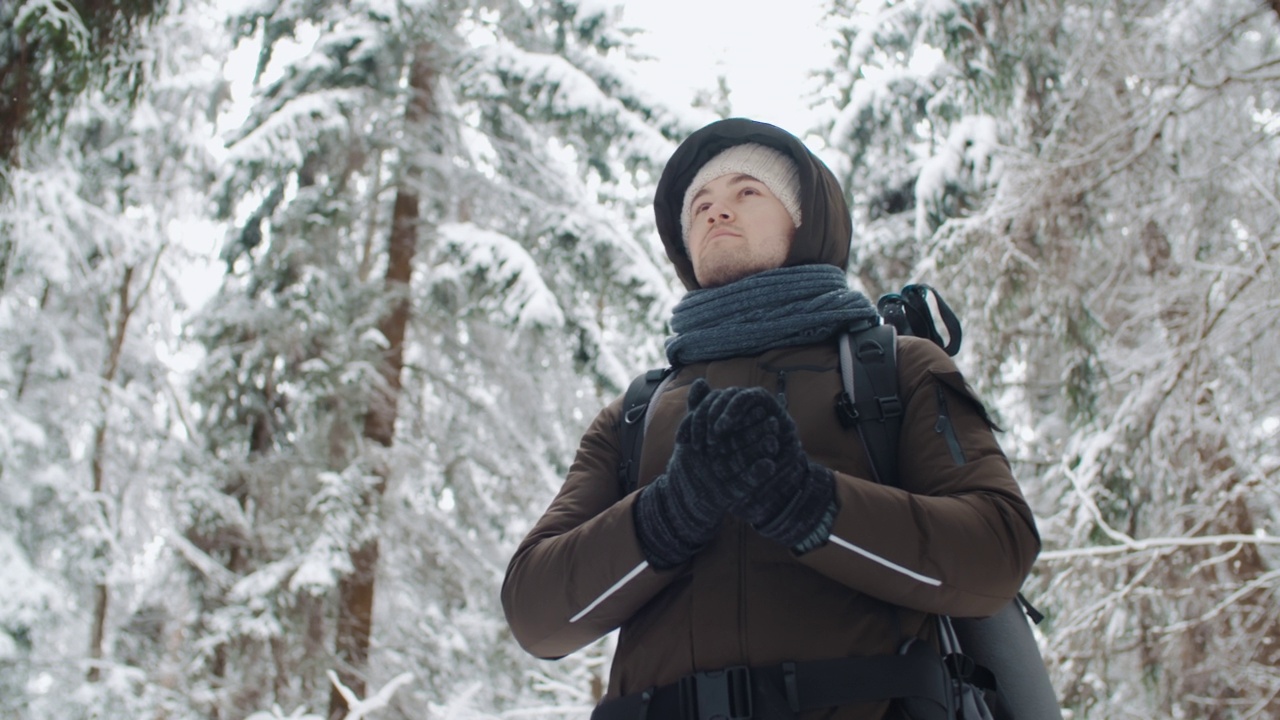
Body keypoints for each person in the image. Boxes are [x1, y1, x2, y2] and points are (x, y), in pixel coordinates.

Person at [501, 118, 1041, 720]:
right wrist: (668, 513)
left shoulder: (896, 369)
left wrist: (809, 504)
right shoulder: (635, 414)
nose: (716, 212)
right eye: (699, 205)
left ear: (805, 217)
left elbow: (997, 550)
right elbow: (535, 614)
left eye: (747, 192)